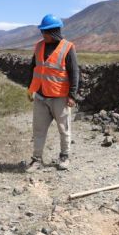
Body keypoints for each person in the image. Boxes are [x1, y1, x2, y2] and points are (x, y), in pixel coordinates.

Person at [26, 14, 79, 171]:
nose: (43, 34)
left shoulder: (68, 47)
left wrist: (72, 95)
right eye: (42, 32)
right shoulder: (39, 46)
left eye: (45, 31)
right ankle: (37, 160)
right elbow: (33, 68)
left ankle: (64, 157)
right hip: (41, 97)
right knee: (38, 130)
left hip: (60, 98)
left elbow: (74, 72)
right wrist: (30, 88)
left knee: (64, 130)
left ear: (54, 31)